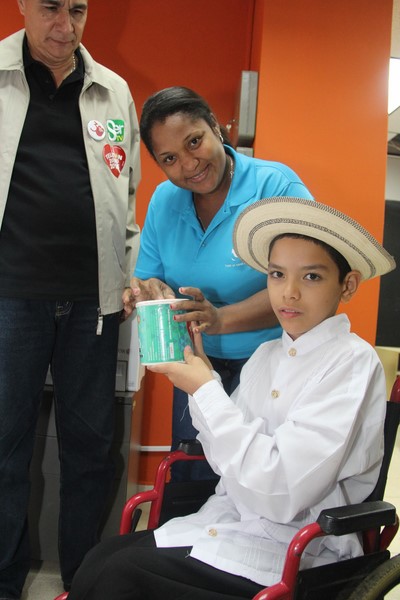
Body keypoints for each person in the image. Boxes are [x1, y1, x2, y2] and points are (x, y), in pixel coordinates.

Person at [68, 196, 396, 599]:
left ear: (347, 285)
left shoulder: (351, 362)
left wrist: (204, 389)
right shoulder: (266, 355)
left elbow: (281, 492)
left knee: (120, 576)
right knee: (98, 560)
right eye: (277, 274)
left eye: (311, 277)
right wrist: (202, 374)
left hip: (299, 550)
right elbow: (224, 450)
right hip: (233, 521)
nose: (289, 293)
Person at [0, 0, 140, 597]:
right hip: (10, 298)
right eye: (51, 8)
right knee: (3, 450)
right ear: (22, 7)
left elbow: (127, 197)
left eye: (77, 9)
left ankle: (81, 584)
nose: (66, 25)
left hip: (94, 304)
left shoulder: (113, 91)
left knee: (91, 452)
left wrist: (130, 273)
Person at [127, 86, 313, 481]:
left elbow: (308, 285)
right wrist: (151, 289)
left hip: (270, 363)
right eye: (169, 159)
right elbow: (149, 275)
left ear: (215, 126)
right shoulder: (164, 200)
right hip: (195, 365)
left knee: (257, 477)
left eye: (194, 141)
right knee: (191, 475)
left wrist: (221, 319)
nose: (188, 164)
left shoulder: (275, 188)